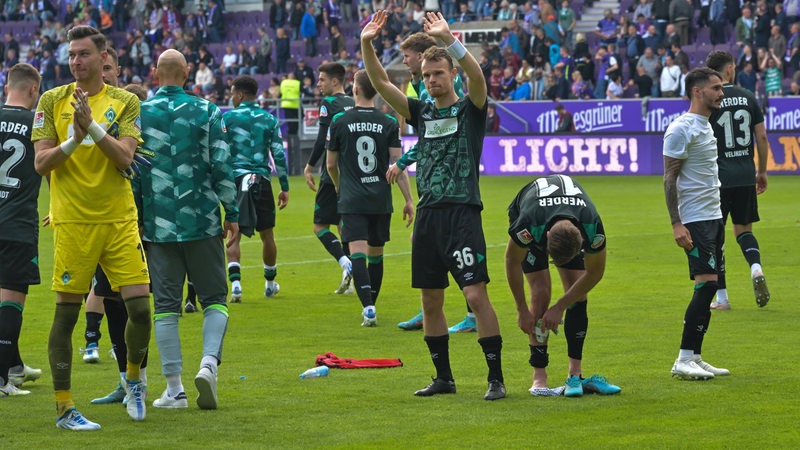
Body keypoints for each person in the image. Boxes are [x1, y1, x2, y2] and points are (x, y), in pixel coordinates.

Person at [362, 11, 506, 400]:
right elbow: (380, 83)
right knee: (430, 299)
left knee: (476, 296)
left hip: (462, 212)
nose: (431, 81)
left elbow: (478, 77)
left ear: (451, 74)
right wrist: (366, 44)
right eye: (426, 76)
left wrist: (450, 40)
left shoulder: (469, 108)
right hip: (428, 215)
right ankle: (444, 378)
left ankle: (496, 377)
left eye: (438, 74)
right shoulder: (421, 112)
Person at [32, 26, 151, 428]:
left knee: (140, 309)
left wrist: (93, 128)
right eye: (71, 55)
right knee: (66, 317)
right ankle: (64, 407)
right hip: (73, 221)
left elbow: (124, 159)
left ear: (104, 58)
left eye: (83, 54)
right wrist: (72, 138)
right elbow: (41, 163)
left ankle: (134, 379)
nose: (75, 61)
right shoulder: (51, 100)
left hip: (119, 220)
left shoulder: (126, 101)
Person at [135, 49, 239, 410]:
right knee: (214, 300)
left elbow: (130, 170)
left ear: (154, 72)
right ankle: (209, 365)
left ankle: (175, 389)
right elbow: (223, 164)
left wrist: (138, 217)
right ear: (188, 72)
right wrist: (233, 210)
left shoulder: (140, 114)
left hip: (158, 225)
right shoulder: (208, 111)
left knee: (165, 307)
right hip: (203, 220)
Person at [389, 32, 476, 334]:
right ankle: (430, 306)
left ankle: (468, 310)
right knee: (420, 244)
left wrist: (402, 160)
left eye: (408, 55)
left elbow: (438, 132)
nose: (404, 60)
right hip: (432, 187)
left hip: (452, 190)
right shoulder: (418, 85)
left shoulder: (438, 88)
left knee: (443, 251)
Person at [505, 175, 621, 397]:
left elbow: (595, 272)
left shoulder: (591, 225)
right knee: (540, 293)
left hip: (567, 222)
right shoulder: (528, 224)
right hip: (531, 211)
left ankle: (574, 377)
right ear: (547, 238)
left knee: (578, 293)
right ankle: (539, 379)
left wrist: (560, 306)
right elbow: (512, 261)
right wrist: (521, 310)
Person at [88, 47, 154, 406]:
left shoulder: (132, 109)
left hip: (138, 223)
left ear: (115, 69)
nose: (105, 73)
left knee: (139, 305)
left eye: (109, 67)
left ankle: (139, 380)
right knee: (111, 301)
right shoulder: (84, 112)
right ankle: (124, 381)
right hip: (99, 220)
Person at [326, 69, 414, 327]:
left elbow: (331, 164)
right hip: (380, 197)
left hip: (353, 198)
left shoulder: (340, 121)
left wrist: (339, 187)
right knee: (376, 254)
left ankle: (368, 307)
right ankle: (372, 302)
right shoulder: (388, 122)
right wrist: (408, 200)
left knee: (358, 253)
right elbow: (398, 164)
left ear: (354, 89)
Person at [663, 67, 731, 381]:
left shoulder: (704, 126)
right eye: (716, 88)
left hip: (713, 216)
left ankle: (696, 355)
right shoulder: (681, 128)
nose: (721, 92)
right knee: (706, 285)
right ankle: (683, 357)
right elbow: (669, 178)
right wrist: (677, 224)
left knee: (711, 284)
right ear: (697, 92)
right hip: (695, 218)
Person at [705, 51, 770, 310]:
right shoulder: (748, 97)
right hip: (745, 175)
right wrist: (762, 171)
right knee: (743, 231)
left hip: (718, 177)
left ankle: (722, 299)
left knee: (715, 238)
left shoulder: (710, 100)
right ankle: (755, 268)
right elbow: (762, 138)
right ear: (730, 69)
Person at [223, 75, 289, 302]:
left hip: (237, 180)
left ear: (240, 94)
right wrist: (285, 187)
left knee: (234, 233)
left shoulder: (228, 119)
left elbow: (220, 153)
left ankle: (236, 286)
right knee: (267, 234)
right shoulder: (268, 119)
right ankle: (270, 284)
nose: (231, 98)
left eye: (232, 93)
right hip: (261, 180)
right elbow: (278, 154)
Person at [0, 63, 43, 398]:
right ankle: (2, 379)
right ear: (33, 90)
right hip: (17, 223)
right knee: (11, 301)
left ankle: (13, 365)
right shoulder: (36, 124)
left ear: (6, 88)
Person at [303, 62, 355, 294]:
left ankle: (346, 264)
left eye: (322, 79)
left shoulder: (329, 104)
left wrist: (309, 165)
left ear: (335, 81)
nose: (318, 83)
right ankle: (353, 280)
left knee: (320, 226)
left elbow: (322, 138)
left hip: (331, 174)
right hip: (353, 175)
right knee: (343, 224)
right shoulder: (355, 103)